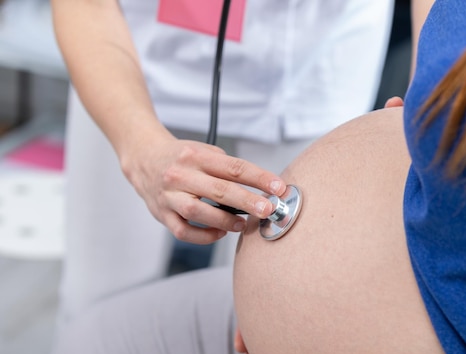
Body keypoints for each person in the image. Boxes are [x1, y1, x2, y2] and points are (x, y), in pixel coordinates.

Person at [10, 0, 466, 354]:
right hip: (144, 59)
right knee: (90, 323)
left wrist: (430, 99)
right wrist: (140, 148)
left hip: (307, 77)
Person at [51, 0, 394, 319]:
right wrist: (139, 148)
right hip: (127, 51)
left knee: (268, 310)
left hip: (310, 65)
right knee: (95, 307)